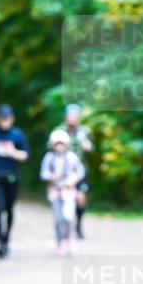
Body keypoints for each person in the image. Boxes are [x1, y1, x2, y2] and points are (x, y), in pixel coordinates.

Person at [0, 104, 29, 258]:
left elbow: (25, 155)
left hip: (12, 178)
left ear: (12, 119)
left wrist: (13, 152)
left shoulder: (17, 135)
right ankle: (0, 243)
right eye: (1, 118)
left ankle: (6, 239)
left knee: (9, 209)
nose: (4, 121)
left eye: (7, 118)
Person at [39, 129, 85, 254]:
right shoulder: (49, 158)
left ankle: (69, 239)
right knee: (58, 219)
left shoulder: (72, 157)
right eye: (57, 144)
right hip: (54, 192)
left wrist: (72, 180)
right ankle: (59, 241)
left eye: (61, 144)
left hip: (68, 192)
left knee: (68, 217)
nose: (59, 146)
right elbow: (43, 173)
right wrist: (51, 176)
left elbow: (80, 172)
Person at [54, 103, 93, 238]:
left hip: (80, 171)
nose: (72, 118)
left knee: (80, 199)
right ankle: (63, 226)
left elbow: (90, 149)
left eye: (75, 115)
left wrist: (86, 144)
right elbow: (51, 148)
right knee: (63, 199)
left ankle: (78, 224)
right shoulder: (59, 131)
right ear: (66, 116)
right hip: (63, 172)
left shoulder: (85, 131)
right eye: (70, 115)